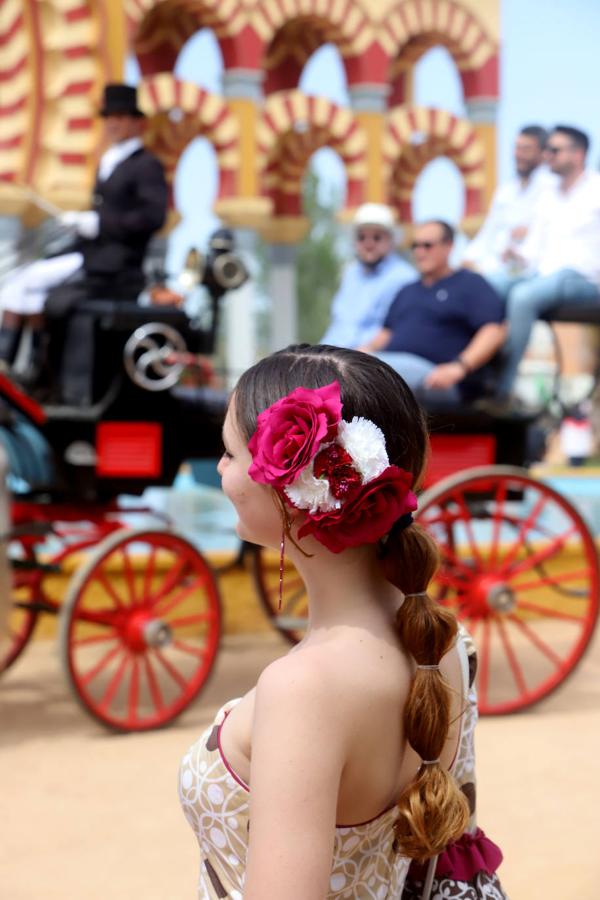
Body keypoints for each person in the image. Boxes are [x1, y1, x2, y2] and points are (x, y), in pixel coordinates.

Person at [179, 344, 507, 899]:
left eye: (230, 453)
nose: (221, 470)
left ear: (294, 486)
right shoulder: (444, 643)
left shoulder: (305, 689)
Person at [0, 83, 168, 392]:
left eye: (121, 116)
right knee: (22, 286)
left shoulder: (146, 166)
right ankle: (18, 366)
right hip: (89, 253)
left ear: (136, 122)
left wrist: (100, 224)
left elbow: (152, 217)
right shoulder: (109, 161)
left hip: (116, 265)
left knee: (33, 288)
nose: (113, 123)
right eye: (109, 117)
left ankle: (25, 367)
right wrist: (78, 225)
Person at [490, 125, 600, 398]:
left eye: (554, 149)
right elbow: (532, 251)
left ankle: (503, 386)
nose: (547, 155)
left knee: (524, 296)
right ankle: (482, 370)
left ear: (578, 154)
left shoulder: (596, 191)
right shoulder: (547, 195)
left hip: (585, 280)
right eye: (547, 149)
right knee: (490, 285)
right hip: (544, 276)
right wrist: (515, 253)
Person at [359, 221, 505, 406]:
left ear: (448, 246)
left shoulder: (471, 284)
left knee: (368, 372)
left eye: (427, 245)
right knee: (342, 365)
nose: (420, 252)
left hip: (437, 376)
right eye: (415, 246)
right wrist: (359, 353)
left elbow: (494, 331)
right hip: (395, 368)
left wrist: (459, 367)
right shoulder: (406, 291)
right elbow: (386, 333)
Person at [463, 125, 555, 276]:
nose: (519, 155)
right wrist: (467, 258)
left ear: (543, 154)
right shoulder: (506, 191)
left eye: (526, 150)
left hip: (528, 268)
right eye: (517, 148)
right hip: (494, 265)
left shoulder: (552, 186)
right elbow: (488, 232)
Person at [321, 203, 415, 348]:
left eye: (377, 238)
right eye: (362, 237)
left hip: (371, 360)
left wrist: (361, 357)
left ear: (391, 241)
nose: (368, 244)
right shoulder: (351, 273)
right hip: (335, 353)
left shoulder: (405, 278)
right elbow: (339, 324)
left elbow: (394, 330)